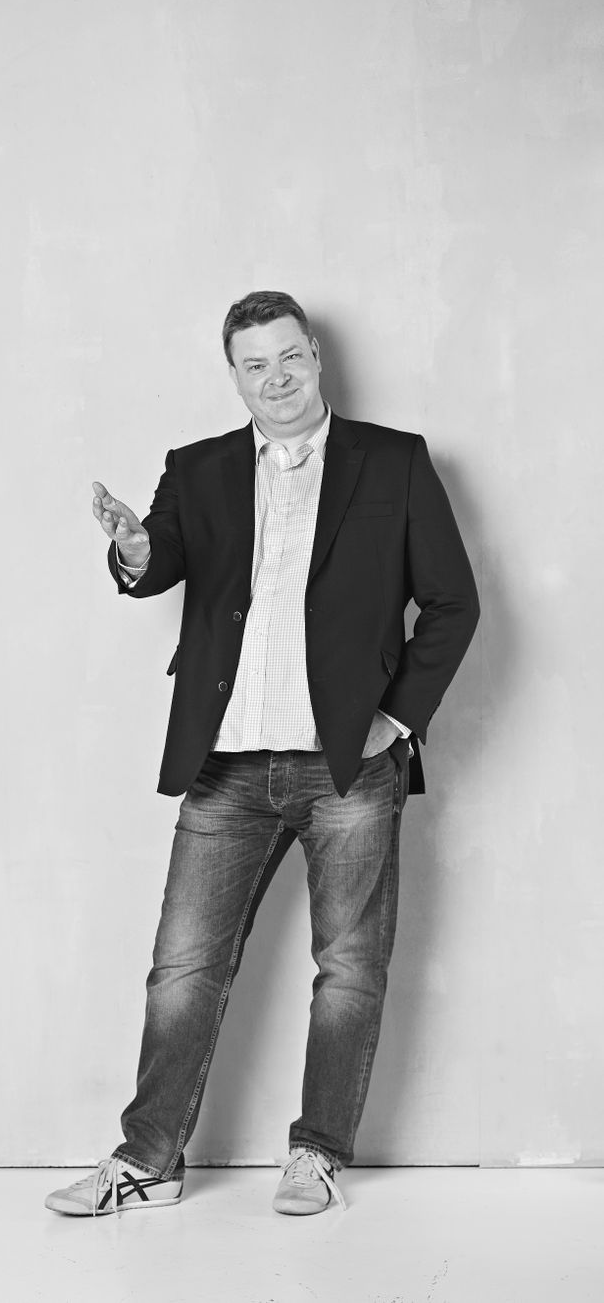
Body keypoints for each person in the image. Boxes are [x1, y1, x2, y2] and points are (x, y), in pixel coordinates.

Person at [45, 290, 480, 1218]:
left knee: (349, 970)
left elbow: (454, 603)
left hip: (347, 766)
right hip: (226, 761)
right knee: (183, 968)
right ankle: (148, 1162)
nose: (275, 378)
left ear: (315, 355)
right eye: (255, 365)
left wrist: (395, 720)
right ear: (234, 377)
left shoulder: (394, 461)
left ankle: (317, 1154)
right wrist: (133, 548)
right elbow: (156, 564)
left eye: (288, 357)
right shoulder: (197, 468)